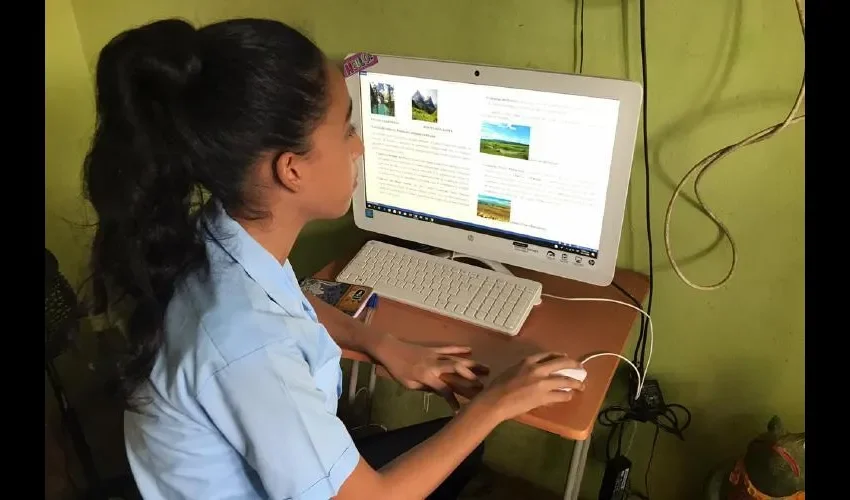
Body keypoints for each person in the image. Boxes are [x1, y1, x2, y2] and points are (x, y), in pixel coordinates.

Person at [82, 17, 587, 500]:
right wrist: (496, 405)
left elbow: (288, 304)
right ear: (292, 170)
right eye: (346, 129)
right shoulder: (247, 346)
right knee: (467, 441)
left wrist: (383, 343)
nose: (360, 145)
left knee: (463, 454)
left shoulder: (219, 236)